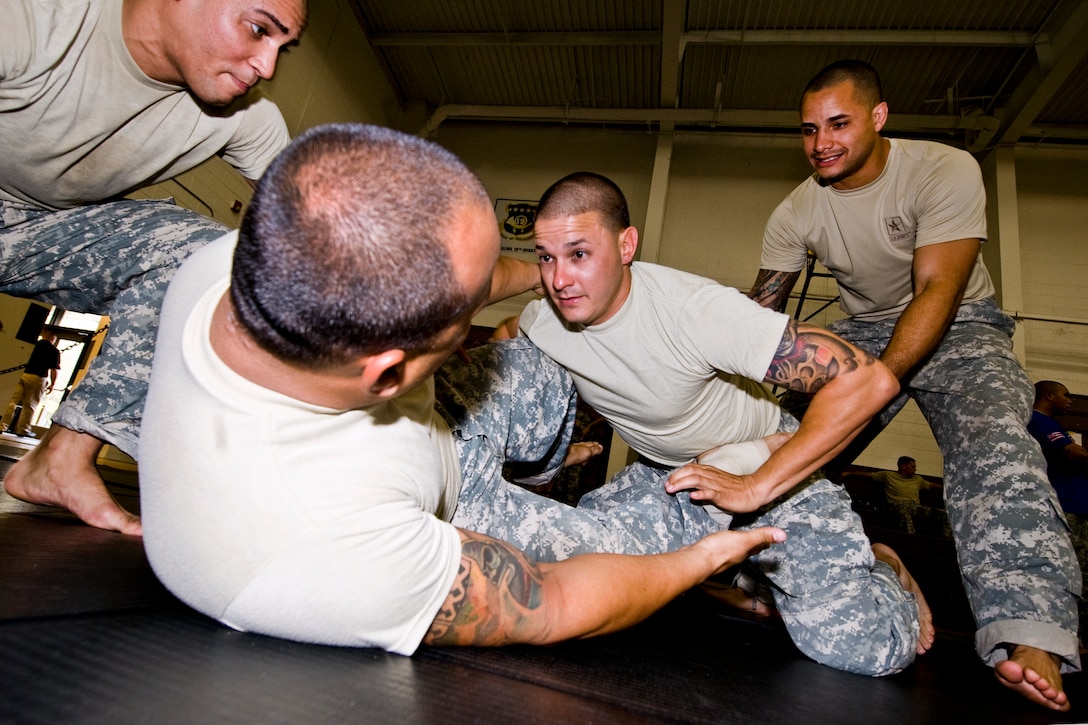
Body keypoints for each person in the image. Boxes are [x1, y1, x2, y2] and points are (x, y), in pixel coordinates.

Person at [139, 123, 785, 655]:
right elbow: (552, 599)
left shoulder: (241, 257)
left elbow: (478, 279)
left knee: (541, 353)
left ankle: (546, 458)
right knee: (641, 544)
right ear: (388, 374)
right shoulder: (336, 548)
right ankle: (665, 496)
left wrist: (545, 279)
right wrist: (696, 564)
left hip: (444, 412)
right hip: (446, 512)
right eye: (459, 319)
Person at [746, 59, 1079, 710]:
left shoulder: (941, 170)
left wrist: (879, 382)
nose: (822, 143)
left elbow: (938, 289)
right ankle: (792, 570)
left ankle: (1031, 630)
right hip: (865, 328)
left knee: (994, 441)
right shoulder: (796, 211)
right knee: (780, 443)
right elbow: (762, 311)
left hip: (960, 320)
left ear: (878, 116)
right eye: (809, 130)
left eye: (839, 124)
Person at [509, 171, 932, 677]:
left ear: (626, 245)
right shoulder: (541, 322)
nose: (559, 279)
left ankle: (881, 566)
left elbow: (869, 383)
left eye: (579, 254)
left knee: (860, 648)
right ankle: (740, 575)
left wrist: (755, 486)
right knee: (568, 572)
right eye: (545, 257)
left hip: (770, 467)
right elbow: (498, 326)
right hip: (673, 475)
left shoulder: (693, 310)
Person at [0, 0, 307, 535]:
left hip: (40, 235)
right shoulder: (39, 18)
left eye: (283, 46)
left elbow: (305, 238)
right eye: (258, 30)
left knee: (218, 257)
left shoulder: (247, 118)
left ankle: (63, 458)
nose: (267, 66)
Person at [1029, 380, 1088, 638]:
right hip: (1066, 510)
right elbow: (1072, 453)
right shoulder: (1040, 422)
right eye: (1066, 395)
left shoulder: (1051, 424)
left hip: (1076, 508)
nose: (1070, 400)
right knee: (1075, 573)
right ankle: (1069, 635)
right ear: (1049, 395)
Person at [1, 330, 62, 438]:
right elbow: (54, 369)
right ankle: (23, 429)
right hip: (37, 378)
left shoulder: (32, 345)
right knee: (30, 405)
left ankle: (2, 426)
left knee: (12, 402)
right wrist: (53, 384)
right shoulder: (54, 351)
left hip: (21, 374)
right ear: (53, 339)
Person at [868, 456, 943, 535]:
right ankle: (910, 538)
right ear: (903, 466)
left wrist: (946, 488)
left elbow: (931, 485)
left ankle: (949, 542)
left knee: (943, 514)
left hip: (915, 507)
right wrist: (852, 473)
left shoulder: (918, 479)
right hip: (898, 505)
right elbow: (868, 475)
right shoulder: (888, 475)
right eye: (913, 467)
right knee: (903, 511)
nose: (915, 469)